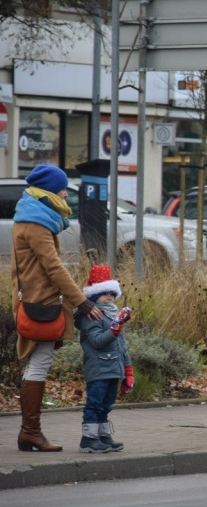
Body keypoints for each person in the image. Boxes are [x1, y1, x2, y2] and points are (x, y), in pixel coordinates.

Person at [11, 163, 104, 452]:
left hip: (37, 298)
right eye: (62, 188)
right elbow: (54, 268)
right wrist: (83, 301)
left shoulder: (33, 216)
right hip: (41, 301)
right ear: (50, 190)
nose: (66, 193)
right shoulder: (36, 224)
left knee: (37, 362)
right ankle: (30, 431)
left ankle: (30, 432)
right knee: (39, 363)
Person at [76, 265, 134, 453]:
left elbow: (121, 346)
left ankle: (103, 435)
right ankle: (88, 438)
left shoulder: (112, 315)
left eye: (111, 293)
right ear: (93, 296)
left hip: (113, 368)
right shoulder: (92, 317)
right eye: (103, 293)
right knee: (95, 402)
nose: (109, 296)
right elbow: (98, 341)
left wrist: (127, 369)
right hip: (98, 367)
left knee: (107, 404)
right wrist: (115, 329)